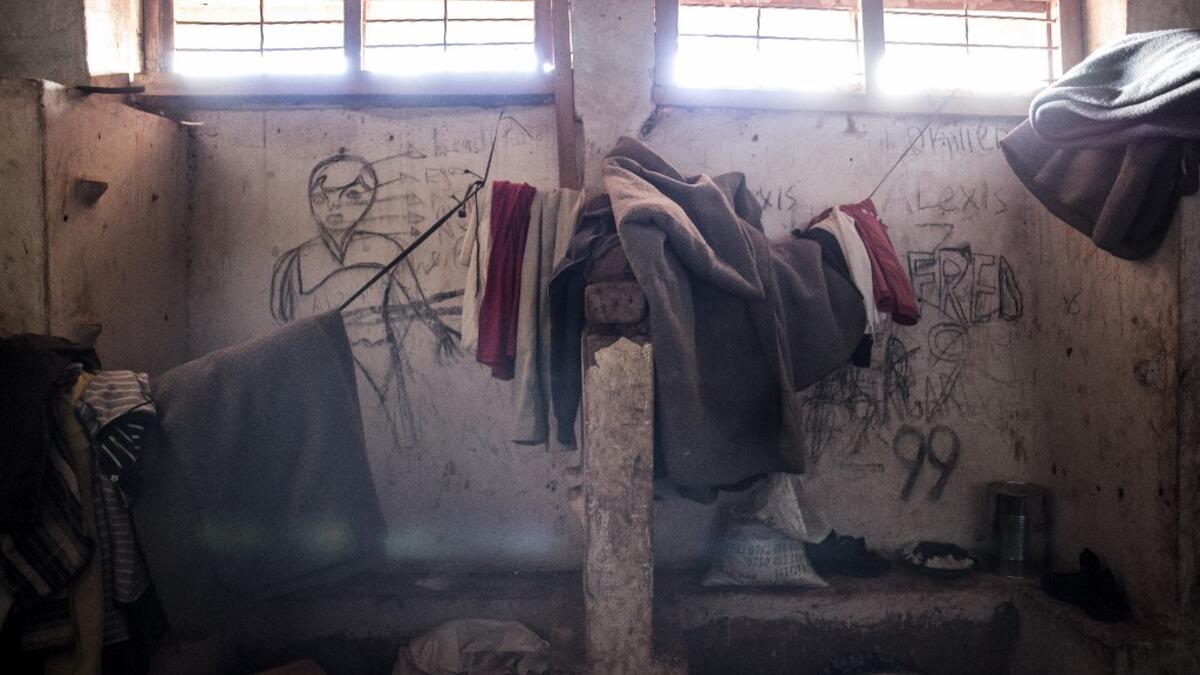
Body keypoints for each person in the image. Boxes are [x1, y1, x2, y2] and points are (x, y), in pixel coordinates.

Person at [271, 154, 462, 449]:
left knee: (385, 437)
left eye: (351, 195)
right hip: (322, 364)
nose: (334, 207)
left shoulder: (386, 248)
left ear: (369, 199)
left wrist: (440, 331)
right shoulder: (293, 262)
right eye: (322, 197)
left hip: (379, 355)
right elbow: (283, 320)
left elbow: (414, 300)